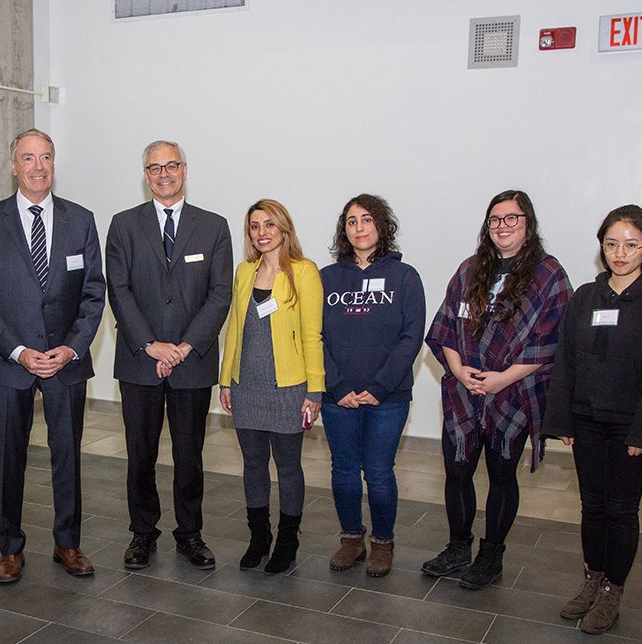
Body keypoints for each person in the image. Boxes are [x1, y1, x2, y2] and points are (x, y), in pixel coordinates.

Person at [0, 128, 106, 584]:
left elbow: (92, 294)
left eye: (46, 157)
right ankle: (9, 548)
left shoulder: (80, 220)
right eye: (28, 158)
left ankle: (67, 542)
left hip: (67, 363)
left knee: (67, 455)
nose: (38, 166)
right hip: (12, 365)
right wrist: (20, 351)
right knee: (10, 458)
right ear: (13, 166)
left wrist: (70, 348)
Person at [543, 205, 642, 634]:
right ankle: (592, 579)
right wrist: (562, 419)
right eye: (611, 244)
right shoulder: (586, 296)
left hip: (630, 426)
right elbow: (565, 359)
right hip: (586, 419)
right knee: (592, 506)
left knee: (622, 510)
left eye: (631, 245)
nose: (620, 253)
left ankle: (612, 592)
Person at [423, 190, 572, 589]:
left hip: (515, 392)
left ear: (528, 223)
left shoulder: (548, 274)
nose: (502, 226)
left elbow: (553, 339)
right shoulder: (470, 270)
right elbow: (445, 326)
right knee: (457, 470)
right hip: (463, 389)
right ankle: (458, 547)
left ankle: (491, 556)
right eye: (495, 219)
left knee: (502, 472)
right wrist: (458, 369)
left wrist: (503, 378)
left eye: (512, 218)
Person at [106, 140, 233, 571]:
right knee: (139, 453)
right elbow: (118, 291)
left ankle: (190, 533)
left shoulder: (213, 226)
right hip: (139, 360)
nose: (164, 173)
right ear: (145, 175)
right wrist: (150, 345)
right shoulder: (123, 225)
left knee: (189, 455)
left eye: (171, 165)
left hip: (191, 362)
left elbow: (220, 295)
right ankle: (142, 533)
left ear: (184, 170)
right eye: (155, 167)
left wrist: (182, 347)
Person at [321, 195, 425, 577]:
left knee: (379, 472)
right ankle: (351, 539)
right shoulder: (327, 278)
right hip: (338, 398)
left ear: (381, 226)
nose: (359, 227)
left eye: (367, 220)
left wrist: (380, 387)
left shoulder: (405, 277)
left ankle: (383, 543)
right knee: (344, 470)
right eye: (351, 221)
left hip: (389, 397)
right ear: (344, 230)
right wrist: (337, 384)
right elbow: (315, 337)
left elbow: (411, 337)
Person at [219, 199, 324, 574]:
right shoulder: (244, 271)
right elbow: (234, 329)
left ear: (284, 228)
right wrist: (226, 379)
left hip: (289, 388)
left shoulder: (304, 272)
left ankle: (288, 540)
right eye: (254, 226)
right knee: (253, 464)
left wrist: (315, 391)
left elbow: (313, 336)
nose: (261, 233)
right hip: (246, 386)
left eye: (269, 225)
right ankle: (259, 537)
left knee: (288, 466)